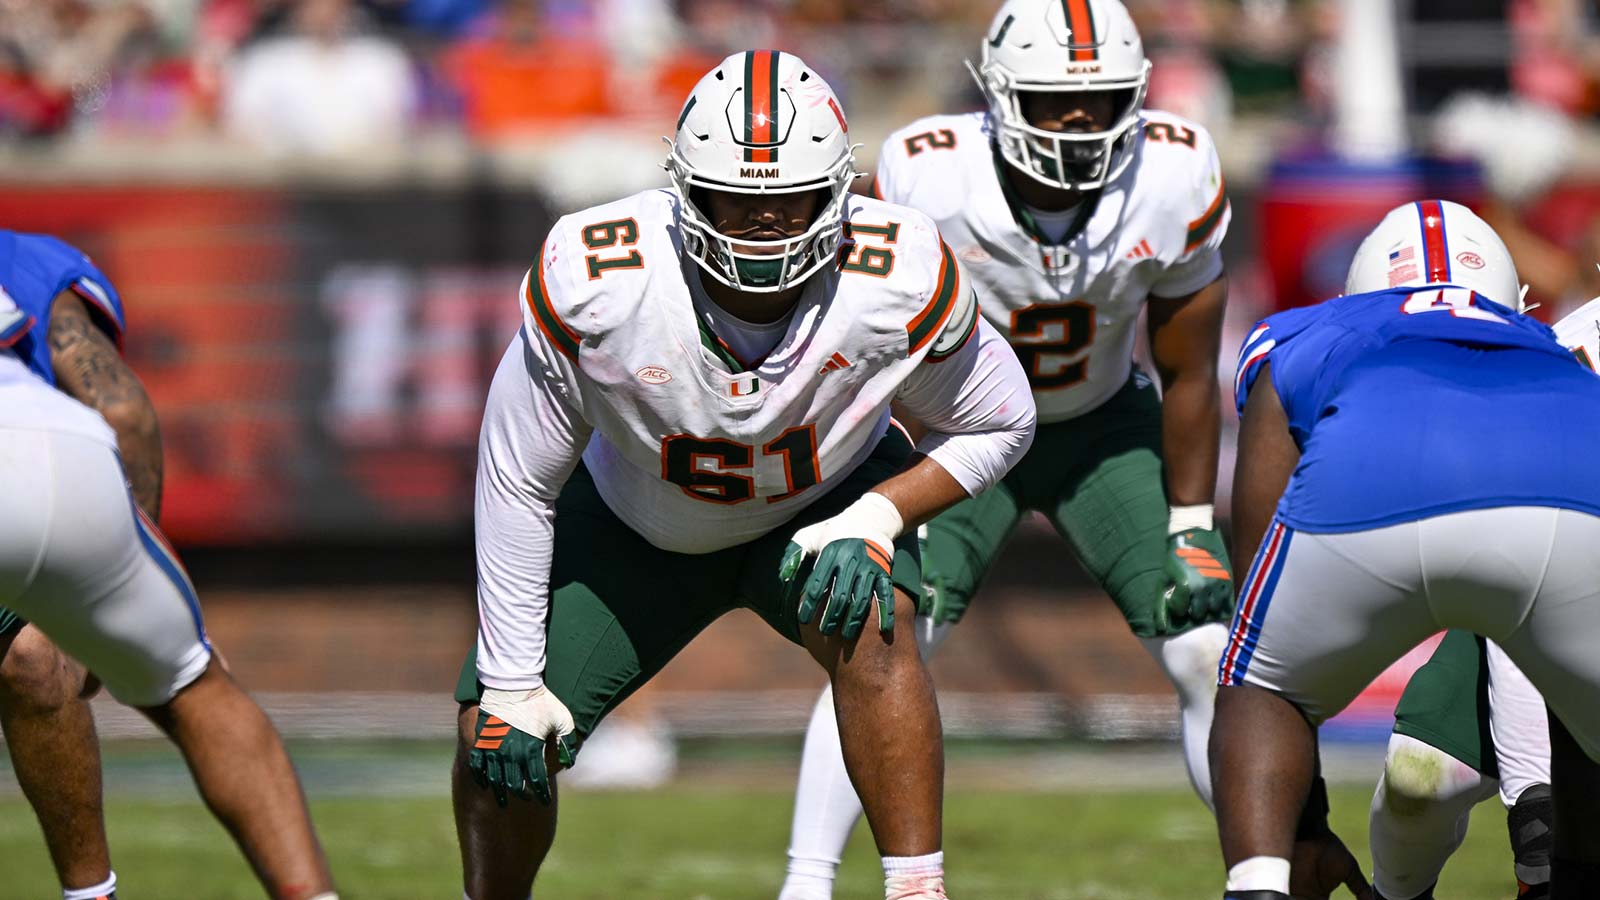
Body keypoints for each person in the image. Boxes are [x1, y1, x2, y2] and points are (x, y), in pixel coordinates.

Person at [450, 50, 1037, 900]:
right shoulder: (600, 279)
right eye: (738, 197)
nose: (763, 221)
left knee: (877, 620)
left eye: (787, 198)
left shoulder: (894, 272)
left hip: (820, 503)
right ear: (684, 190)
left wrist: (876, 516)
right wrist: (509, 683)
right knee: (494, 737)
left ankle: (917, 890)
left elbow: (1003, 418)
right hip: (632, 520)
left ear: (838, 192)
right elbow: (516, 480)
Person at [780, 2, 1233, 894]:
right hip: (956, 434)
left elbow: (1190, 367)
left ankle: (1263, 873)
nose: (1077, 121)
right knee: (874, 632)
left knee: (1204, 649)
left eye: (1101, 101)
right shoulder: (923, 174)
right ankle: (808, 883)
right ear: (995, 94)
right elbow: (862, 335)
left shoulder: (1174, 173)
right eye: (1051, 99)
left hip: (1101, 427)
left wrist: (1190, 521)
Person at [1214, 199, 1600, 900]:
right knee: (1441, 771)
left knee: (1259, 685)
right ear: (1516, 303)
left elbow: (1258, 572)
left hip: (1368, 482)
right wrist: (1534, 807)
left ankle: (1264, 884)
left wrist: (1304, 820)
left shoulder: (1309, 330)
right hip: (1568, 491)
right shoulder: (1553, 349)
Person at [0, 230, 338, 900]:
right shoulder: (26, 257)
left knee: (34, 657)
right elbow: (122, 408)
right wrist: (113, 599)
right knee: (189, 684)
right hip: (44, 448)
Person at [1365, 295, 1600, 900]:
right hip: (1548, 593)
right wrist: (1535, 808)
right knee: (1420, 778)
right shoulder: (1568, 362)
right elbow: (1525, 567)